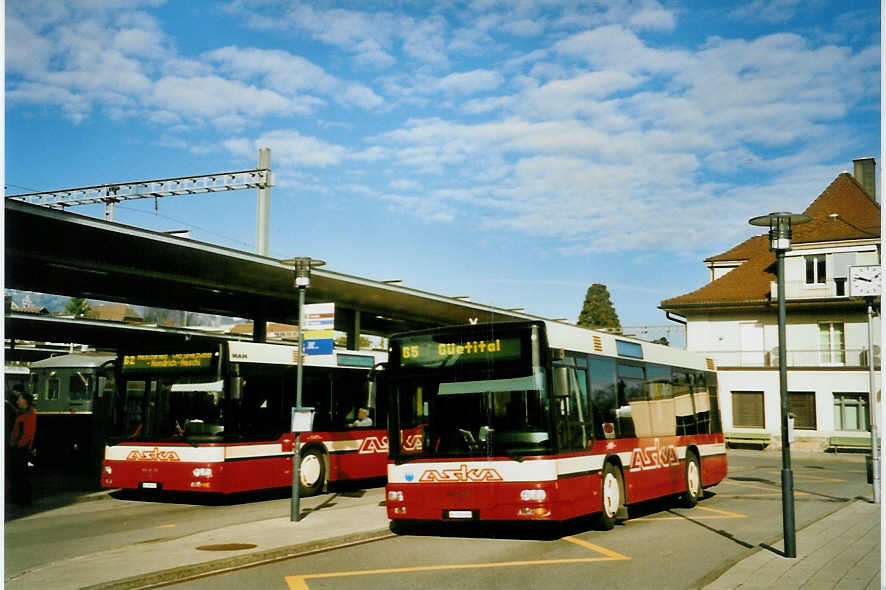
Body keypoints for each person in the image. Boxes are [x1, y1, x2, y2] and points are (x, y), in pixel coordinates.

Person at [9, 392, 37, 505]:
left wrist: (17, 446)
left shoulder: (28, 415)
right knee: (19, 474)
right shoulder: (24, 413)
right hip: (19, 448)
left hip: (21, 449)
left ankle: (23, 499)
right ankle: (22, 498)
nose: (17, 401)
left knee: (20, 475)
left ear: (25, 401)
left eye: (19, 399)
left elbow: (27, 434)